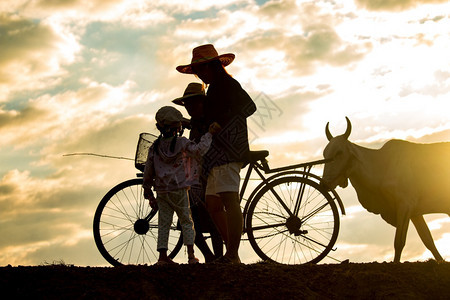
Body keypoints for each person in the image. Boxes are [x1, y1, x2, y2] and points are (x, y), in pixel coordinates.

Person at [177, 44, 257, 264]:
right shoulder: (215, 88)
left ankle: (232, 254)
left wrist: (222, 123)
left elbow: (250, 107)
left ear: (211, 66)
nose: (199, 74)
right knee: (213, 205)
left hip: (228, 151)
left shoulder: (227, 84)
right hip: (217, 154)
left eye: (200, 70)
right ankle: (233, 254)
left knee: (230, 202)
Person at [142, 106, 220, 265]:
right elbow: (198, 151)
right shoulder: (182, 143)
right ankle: (191, 256)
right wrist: (209, 135)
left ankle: (163, 257)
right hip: (179, 189)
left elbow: (148, 170)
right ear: (177, 126)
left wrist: (147, 188)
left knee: (164, 223)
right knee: (186, 220)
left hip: (162, 191)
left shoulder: (155, 147)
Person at [173, 82, 224, 262]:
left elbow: (203, 147)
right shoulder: (196, 122)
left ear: (202, 103)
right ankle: (212, 257)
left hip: (210, 174)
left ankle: (217, 257)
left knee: (209, 218)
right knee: (192, 219)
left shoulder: (209, 121)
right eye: (188, 104)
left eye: (193, 103)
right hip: (198, 178)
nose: (190, 107)